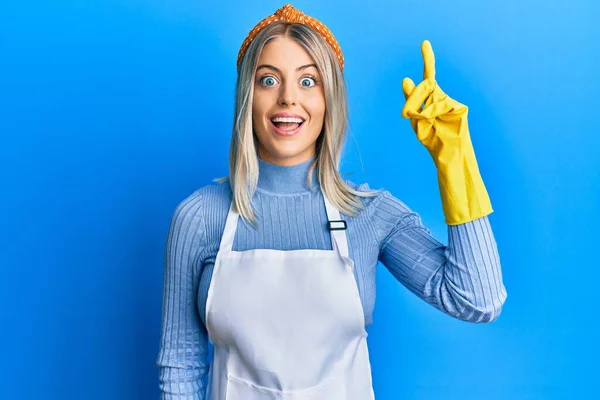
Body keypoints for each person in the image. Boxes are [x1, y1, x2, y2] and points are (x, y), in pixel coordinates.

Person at [156, 4, 507, 399]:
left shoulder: (369, 214)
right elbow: (181, 363)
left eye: (309, 82)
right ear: (246, 97)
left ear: (330, 100)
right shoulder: (201, 216)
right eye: (268, 80)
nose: (288, 99)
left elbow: (478, 300)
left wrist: (456, 162)